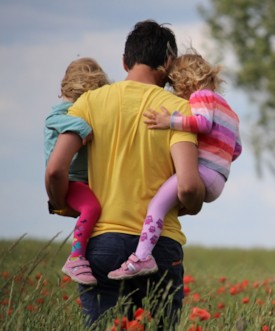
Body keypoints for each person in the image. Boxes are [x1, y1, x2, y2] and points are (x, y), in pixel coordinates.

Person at [45, 20, 205, 328]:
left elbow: (55, 170)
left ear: (124, 61)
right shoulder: (178, 110)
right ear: (168, 63)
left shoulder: (89, 102)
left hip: (101, 243)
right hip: (160, 247)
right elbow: (187, 187)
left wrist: (62, 203)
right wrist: (194, 203)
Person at [108, 50, 242, 280]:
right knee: (168, 206)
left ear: (186, 80)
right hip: (219, 178)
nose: (175, 92)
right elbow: (236, 149)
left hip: (203, 172)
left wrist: (168, 121)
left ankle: (141, 257)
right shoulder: (230, 110)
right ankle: (149, 246)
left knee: (156, 206)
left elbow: (202, 123)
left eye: (175, 85)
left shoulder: (201, 97)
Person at [44, 57, 109, 286]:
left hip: (83, 180)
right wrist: (83, 127)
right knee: (92, 207)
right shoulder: (63, 112)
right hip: (71, 180)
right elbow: (54, 120)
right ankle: (76, 257)